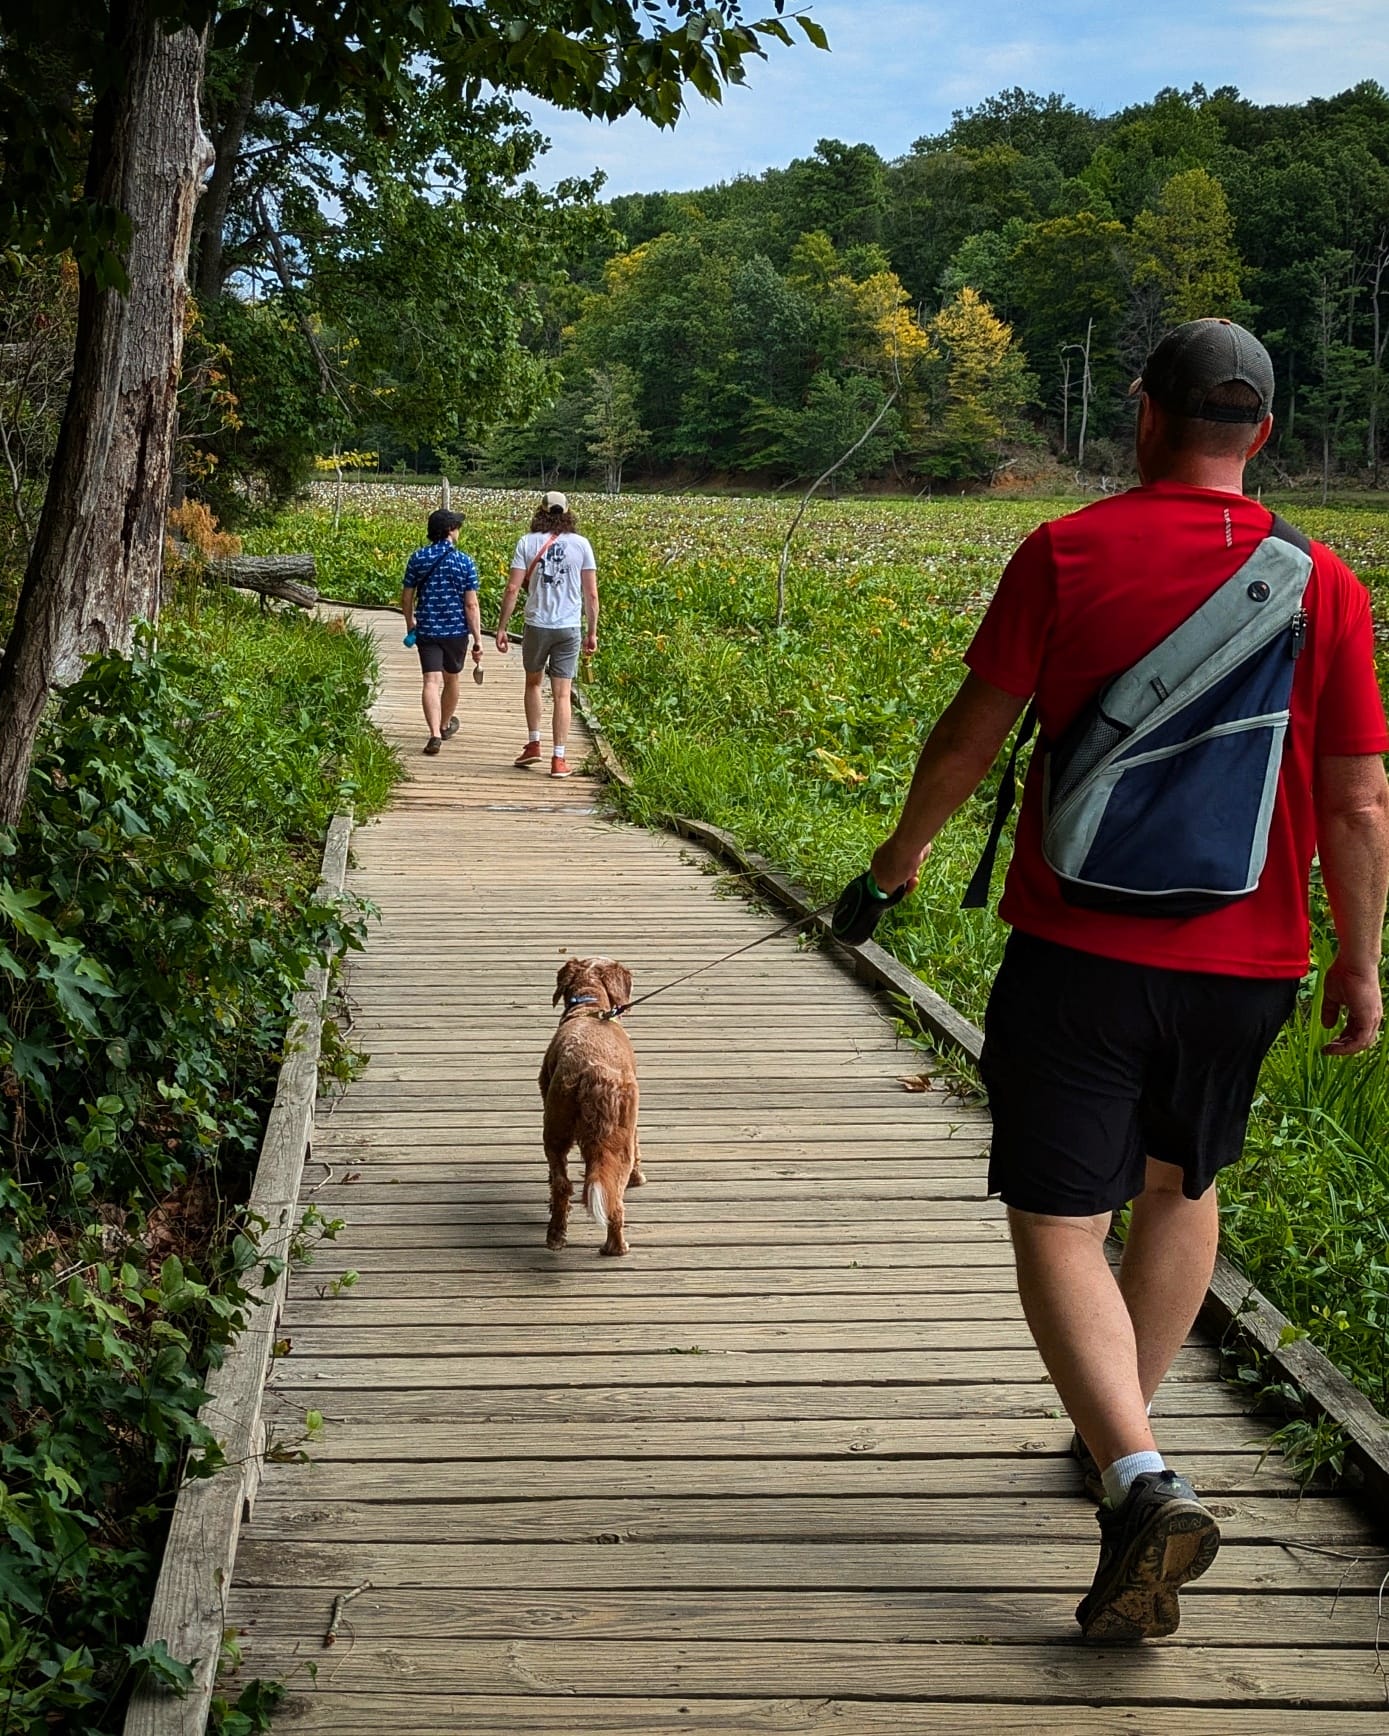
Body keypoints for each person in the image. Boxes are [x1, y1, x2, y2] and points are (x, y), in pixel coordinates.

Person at [864, 319, 1389, 1641]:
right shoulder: (1322, 582)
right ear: (1262, 432)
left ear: (1145, 413)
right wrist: (1360, 958)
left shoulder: (1066, 550)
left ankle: (1137, 1473)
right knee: (1180, 1184)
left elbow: (971, 733)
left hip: (1079, 949)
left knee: (1057, 1214)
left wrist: (900, 859)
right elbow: (1359, 800)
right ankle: (1120, 1438)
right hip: (1247, 960)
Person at [494, 491, 598, 778]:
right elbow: (591, 594)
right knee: (563, 694)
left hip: (537, 624)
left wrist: (502, 627)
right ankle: (559, 759)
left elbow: (512, 589)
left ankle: (534, 743)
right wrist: (592, 632)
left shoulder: (527, 543)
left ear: (540, 512)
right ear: (567, 513)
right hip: (568, 627)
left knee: (533, 683)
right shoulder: (582, 544)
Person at [401, 507, 483, 756]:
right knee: (451, 679)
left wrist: (410, 622)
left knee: (430, 681)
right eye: (457, 526)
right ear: (449, 530)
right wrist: (478, 639)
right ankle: (445, 724)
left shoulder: (418, 558)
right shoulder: (464, 561)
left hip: (427, 628)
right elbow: (471, 605)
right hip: (456, 630)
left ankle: (434, 733)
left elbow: (407, 597)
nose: (459, 530)